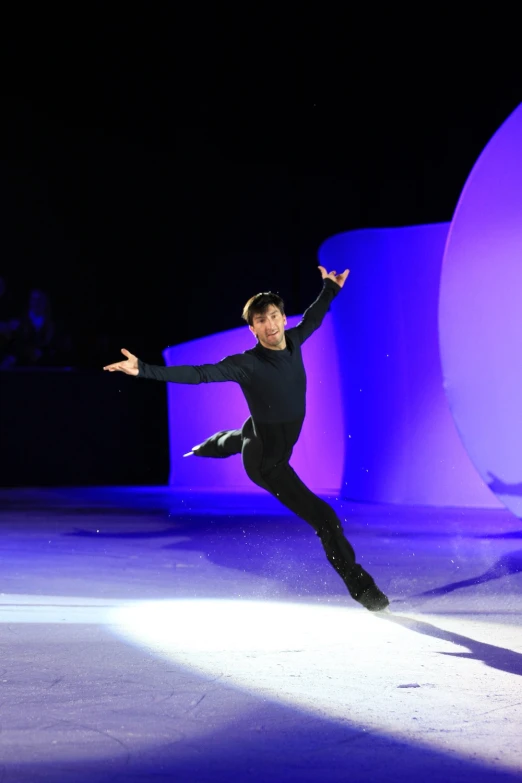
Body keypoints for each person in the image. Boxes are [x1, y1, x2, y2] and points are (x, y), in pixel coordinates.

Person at [104, 266, 389, 611]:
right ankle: (364, 591)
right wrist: (143, 369)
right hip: (268, 462)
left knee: (243, 434)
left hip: (262, 431)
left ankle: (212, 444)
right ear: (252, 329)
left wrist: (330, 286)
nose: (269, 325)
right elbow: (200, 374)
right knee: (325, 519)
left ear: (283, 318)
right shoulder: (245, 364)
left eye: (273, 316)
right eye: (260, 321)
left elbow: (315, 315)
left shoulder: (295, 340)